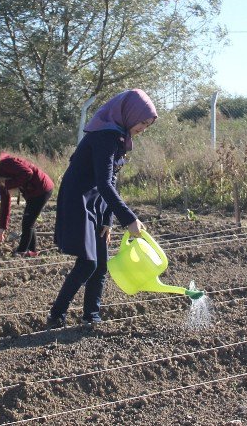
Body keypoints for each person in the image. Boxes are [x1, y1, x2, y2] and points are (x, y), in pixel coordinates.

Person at [46, 89, 157, 328]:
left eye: (148, 125)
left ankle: (91, 317)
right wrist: (129, 219)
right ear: (130, 113)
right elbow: (105, 182)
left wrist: (108, 219)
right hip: (78, 200)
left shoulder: (119, 137)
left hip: (96, 202)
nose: (143, 128)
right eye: (143, 122)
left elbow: (110, 180)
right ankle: (56, 315)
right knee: (88, 263)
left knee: (101, 264)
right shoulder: (105, 136)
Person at [0, 154, 54, 256]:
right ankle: (32, 251)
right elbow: (5, 202)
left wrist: (8, 184)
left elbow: (27, 173)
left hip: (41, 188)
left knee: (27, 223)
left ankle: (22, 251)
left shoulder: (5, 164)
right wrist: (2, 227)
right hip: (32, 192)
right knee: (29, 222)